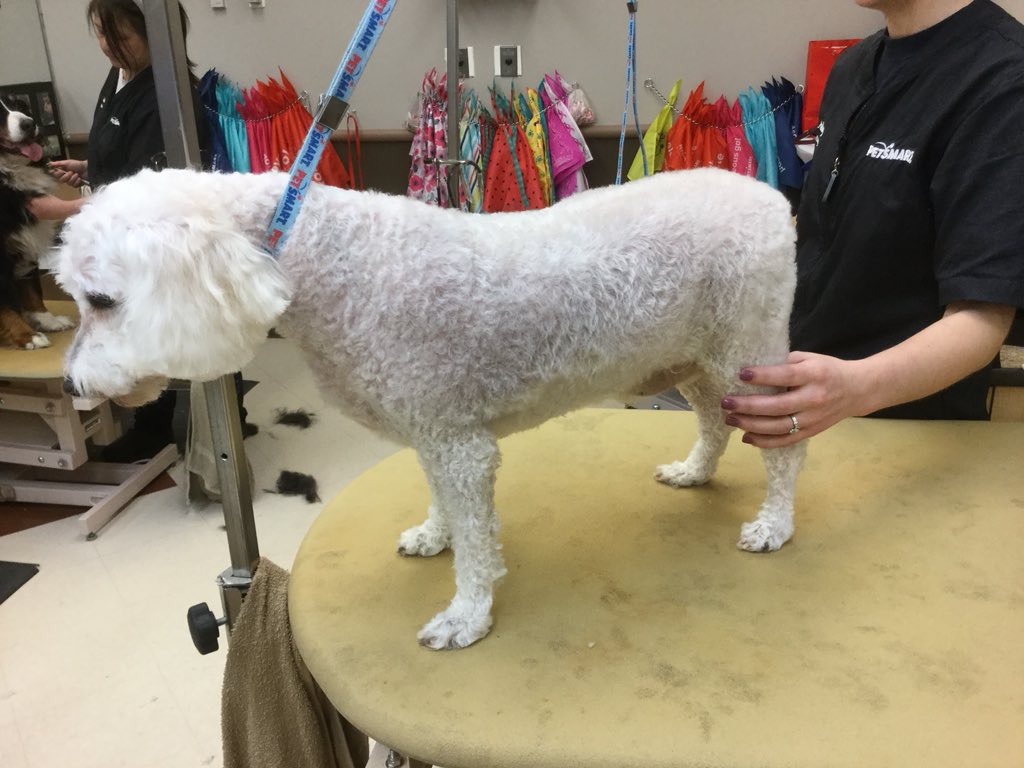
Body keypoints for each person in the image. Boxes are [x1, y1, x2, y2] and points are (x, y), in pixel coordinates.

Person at [722, 0, 1024, 448]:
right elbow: (825, 228)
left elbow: (981, 317)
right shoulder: (852, 66)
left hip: (912, 432)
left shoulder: (1003, 81)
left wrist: (851, 387)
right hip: (807, 410)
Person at [49, 0, 254, 461]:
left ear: (157, 31)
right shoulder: (121, 74)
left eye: (118, 35)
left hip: (156, 238)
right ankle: (154, 423)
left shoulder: (170, 93)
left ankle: (218, 419)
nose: (108, 46)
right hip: (114, 224)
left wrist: (61, 208)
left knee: (182, 322)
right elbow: (118, 149)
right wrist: (87, 167)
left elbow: (150, 193)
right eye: (101, 33)